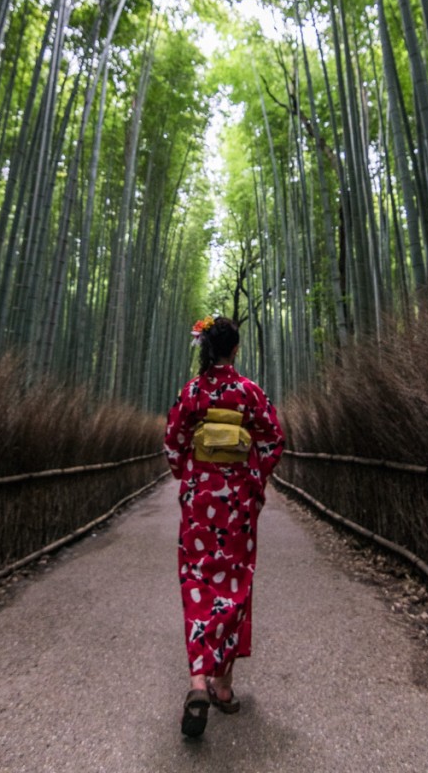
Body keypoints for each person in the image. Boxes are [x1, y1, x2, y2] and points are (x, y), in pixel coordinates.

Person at [164, 315, 285, 738]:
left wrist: (190, 473)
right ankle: (224, 687)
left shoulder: (192, 392)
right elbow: (273, 440)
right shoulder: (248, 392)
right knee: (234, 585)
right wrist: (254, 477)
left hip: (199, 502)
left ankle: (199, 681)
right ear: (235, 349)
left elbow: (173, 445)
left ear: (206, 348)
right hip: (237, 505)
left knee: (197, 579)